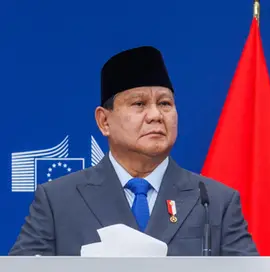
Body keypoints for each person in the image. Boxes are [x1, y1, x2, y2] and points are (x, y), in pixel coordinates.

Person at [8, 46, 257, 256]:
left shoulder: (215, 202)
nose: (156, 116)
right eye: (139, 104)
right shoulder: (57, 201)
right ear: (104, 121)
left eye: (165, 104)